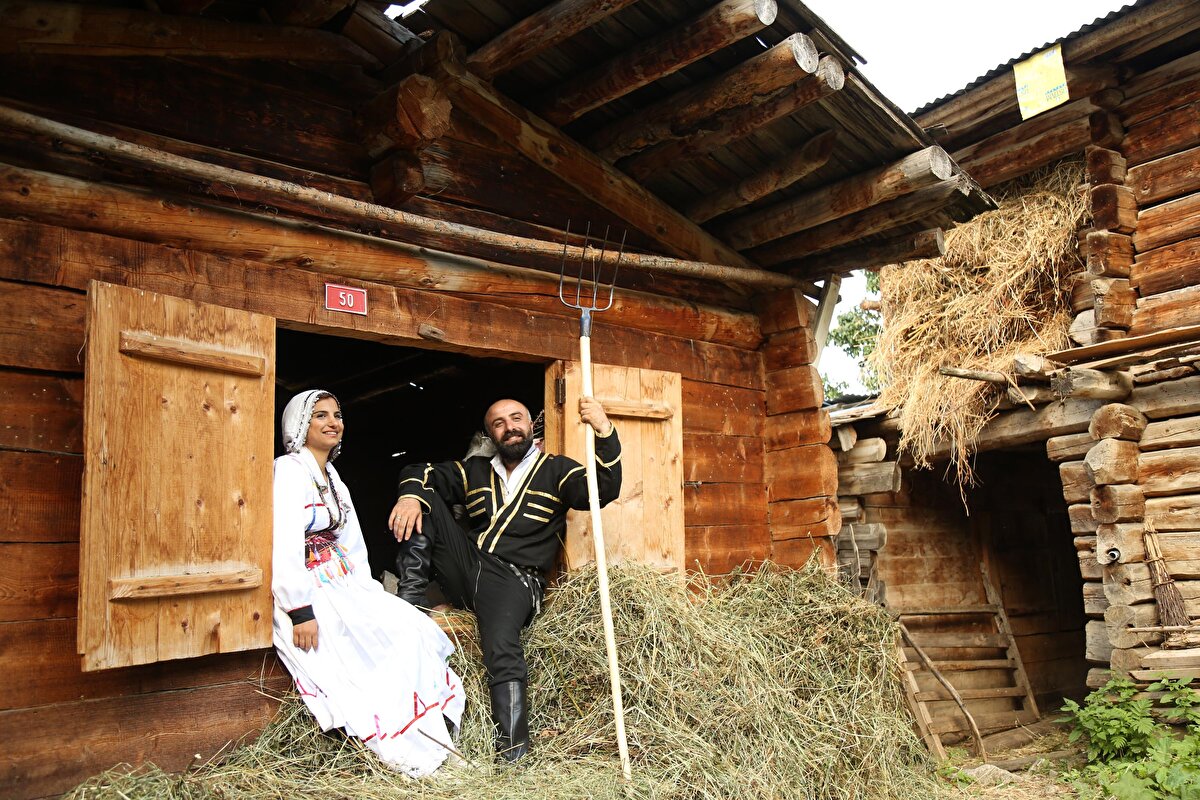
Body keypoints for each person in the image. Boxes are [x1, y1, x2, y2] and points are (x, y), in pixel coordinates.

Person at [388, 397, 621, 762]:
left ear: (530, 426)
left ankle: (513, 755)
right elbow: (421, 471)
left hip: (515, 580)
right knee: (424, 493)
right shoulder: (476, 470)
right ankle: (410, 597)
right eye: (498, 423)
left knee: (501, 648)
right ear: (491, 434)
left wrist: (604, 430)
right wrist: (410, 496)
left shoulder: (556, 470)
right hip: (470, 566)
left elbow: (604, 489)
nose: (509, 426)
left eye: (516, 419)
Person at [273, 389, 465, 777]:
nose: (333, 422)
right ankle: (394, 738)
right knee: (358, 649)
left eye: (337, 415)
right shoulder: (289, 470)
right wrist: (299, 610)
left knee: (411, 629)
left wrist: (367, 590)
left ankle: (424, 731)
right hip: (310, 585)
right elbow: (284, 541)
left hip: (344, 581)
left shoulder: (333, 476)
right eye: (320, 416)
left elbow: (352, 541)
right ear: (299, 425)